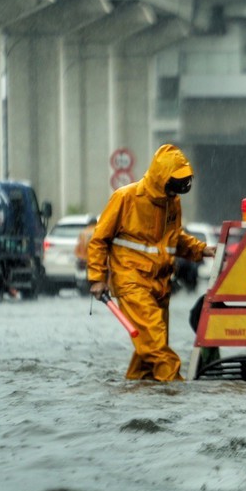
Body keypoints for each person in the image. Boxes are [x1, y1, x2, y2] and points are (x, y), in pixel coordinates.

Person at [88, 144, 216, 382]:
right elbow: (99, 240)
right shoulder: (126, 198)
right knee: (157, 345)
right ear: (161, 176)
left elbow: (173, 239)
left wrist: (202, 250)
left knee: (148, 351)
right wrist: (97, 278)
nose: (181, 186)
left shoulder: (172, 202)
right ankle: (175, 394)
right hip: (131, 281)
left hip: (160, 283)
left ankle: (138, 392)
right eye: (176, 180)